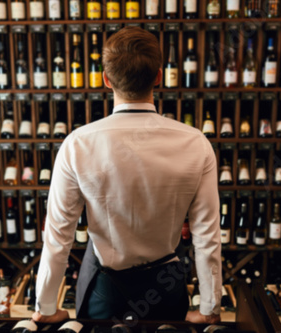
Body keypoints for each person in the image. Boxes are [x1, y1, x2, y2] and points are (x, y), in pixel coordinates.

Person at [32, 26, 221, 325]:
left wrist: (45, 306)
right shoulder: (196, 142)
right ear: (159, 76)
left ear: (106, 80)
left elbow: (58, 235)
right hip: (166, 288)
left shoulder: (78, 143)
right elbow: (207, 236)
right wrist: (210, 307)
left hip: (104, 292)